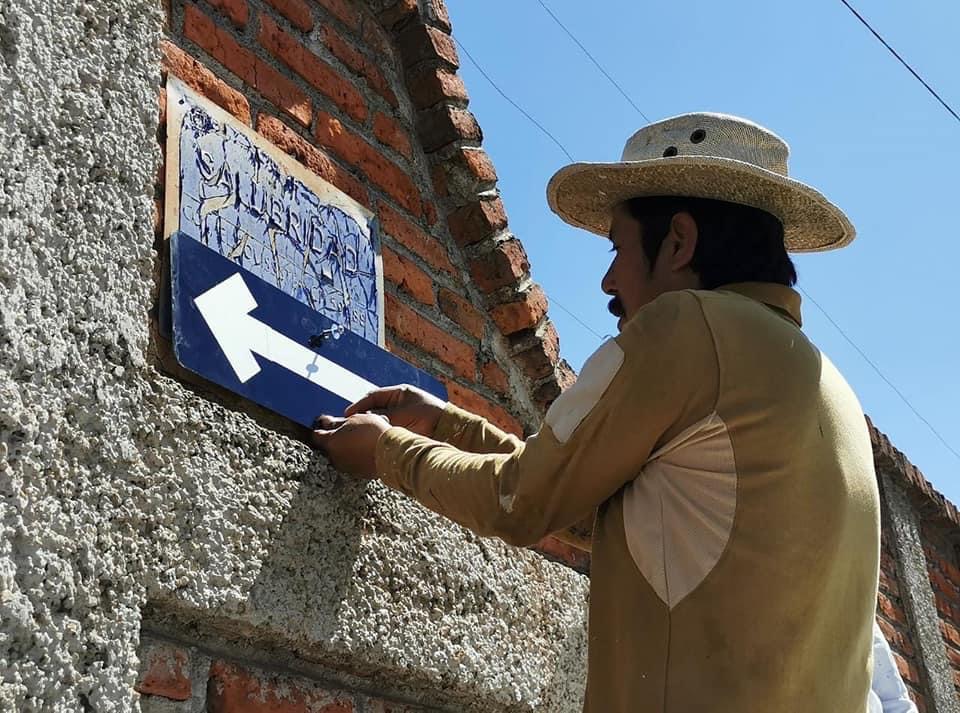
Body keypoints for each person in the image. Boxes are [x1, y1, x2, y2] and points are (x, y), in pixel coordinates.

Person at [313, 113, 881, 712]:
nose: (608, 281)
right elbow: (592, 506)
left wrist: (383, 449)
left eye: (618, 248)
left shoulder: (687, 325)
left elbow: (522, 500)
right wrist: (449, 426)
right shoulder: (827, 390)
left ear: (680, 242)